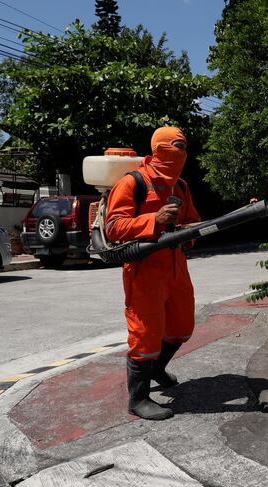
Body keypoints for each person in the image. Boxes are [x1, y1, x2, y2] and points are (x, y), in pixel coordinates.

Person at [106, 126, 200, 420]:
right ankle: (138, 398)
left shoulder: (180, 187)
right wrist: (153, 220)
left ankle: (157, 368)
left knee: (182, 326)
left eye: (183, 149)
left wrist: (189, 232)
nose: (180, 155)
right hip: (143, 270)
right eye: (174, 148)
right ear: (157, 151)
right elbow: (113, 227)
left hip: (175, 267)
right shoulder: (133, 182)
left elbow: (193, 223)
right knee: (145, 334)